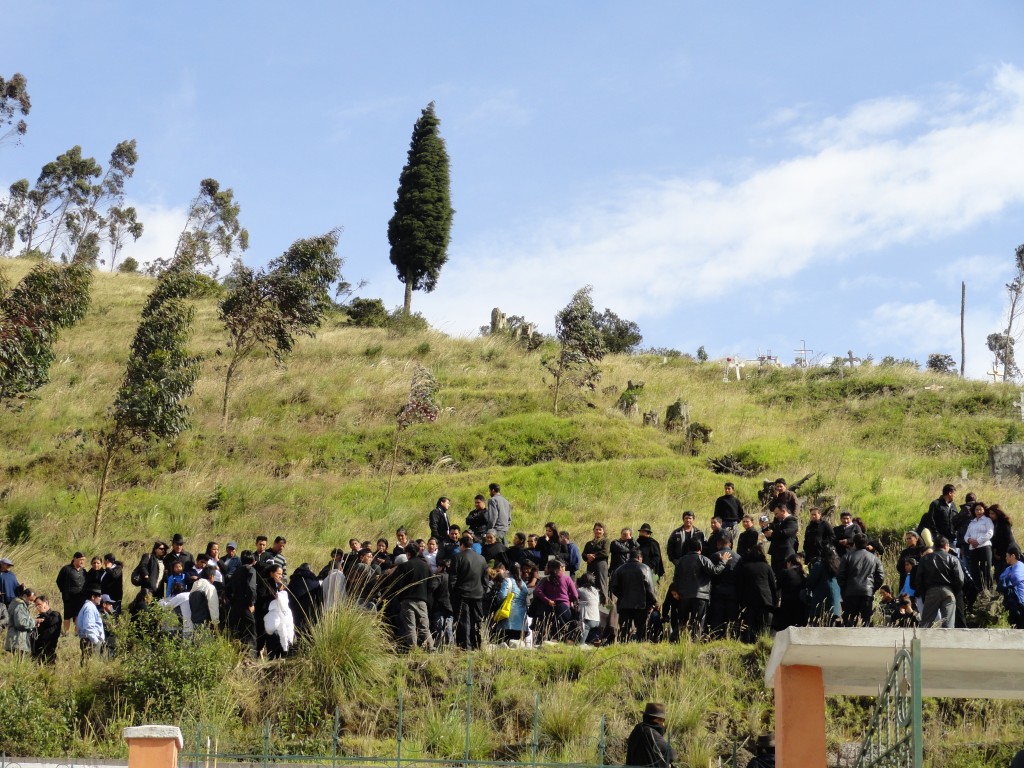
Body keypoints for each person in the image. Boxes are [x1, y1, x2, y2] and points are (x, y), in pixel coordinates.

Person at [671, 539, 727, 639]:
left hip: (684, 596)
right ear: (700, 549)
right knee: (698, 621)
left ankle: (675, 639)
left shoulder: (681, 561)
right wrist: (723, 562)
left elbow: (675, 578)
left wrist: (676, 591)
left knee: (682, 621)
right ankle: (694, 641)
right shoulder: (703, 559)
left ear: (688, 549)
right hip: (700, 595)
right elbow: (715, 571)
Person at [914, 536, 964, 628]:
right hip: (949, 591)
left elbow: (918, 580)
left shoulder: (924, 559)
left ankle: (924, 641)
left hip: (931, 591)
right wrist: (954, 591)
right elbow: (960, 579)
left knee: (926, 623)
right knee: (948, 623)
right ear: (946, 546)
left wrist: (924, 593)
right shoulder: (953, 559)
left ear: (934, 546)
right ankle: (946, 641)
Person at [450, 534, 488, 649]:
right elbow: (485, 580)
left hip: (462, 594)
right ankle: (478, 643)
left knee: (464, 621)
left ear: (461, 545)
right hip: (477, 594)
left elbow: (453, 579)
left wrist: (452, 594)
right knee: (477, 620)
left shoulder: (457, 557)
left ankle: (465, 646)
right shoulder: (482, 558)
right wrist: (482, 591)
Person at [837, 534, 884, 627]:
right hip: (867, 592)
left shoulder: (847, 557)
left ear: (854, 543)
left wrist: (845, 588)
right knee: (866, 621)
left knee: (849, 621)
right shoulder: (874, 558)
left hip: (850, 592)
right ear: (866, 543)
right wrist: (872, 588)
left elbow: (840, 575)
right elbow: (880, 577)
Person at [611, 550, 657, 642]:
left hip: (624, 604)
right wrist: (653, 602)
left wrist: (622, 596)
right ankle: (639, 648)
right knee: (641, 630)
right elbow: (650, 589)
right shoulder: (645, 568)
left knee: (624, 631)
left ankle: (623, 647)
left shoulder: (620, 569)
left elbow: (614, 588)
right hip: (641, 605)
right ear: (639, 558)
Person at [394, 544, 434, 651]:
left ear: (408, 553)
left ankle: (413, 650)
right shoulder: (426, 566)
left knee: (410, 627)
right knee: (424, 627)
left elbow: (397, 585)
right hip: (422, 600)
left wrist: (400, 598)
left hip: (407, 600)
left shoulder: (403, 566)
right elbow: (431, 584)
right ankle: (431, 648)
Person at [736, 545, 777, 643]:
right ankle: (763, 644)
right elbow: (773, 586)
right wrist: (774, 602)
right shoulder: (767, 567)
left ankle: (749, 644)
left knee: (749, 626)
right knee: (764, 627)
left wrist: (740, 601)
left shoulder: (745, 567)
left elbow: (740, 586)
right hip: (765, 601)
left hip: (749, 601)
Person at [625, 702, 675, 768]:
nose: (663, 724)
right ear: (651, 719)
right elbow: (671, 755)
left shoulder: (637, 729)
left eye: (663, 721)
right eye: (660, 720)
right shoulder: (651, 733)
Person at [965, 500, 994, 592]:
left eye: (980, 509)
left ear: (984, 510)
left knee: (985, 569)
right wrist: (969, 540)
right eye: (976, 510)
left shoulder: (987, 520)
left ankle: (988, 590)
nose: (978, 511)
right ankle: (979, 590)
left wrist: (978, 541)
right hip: (973, 549)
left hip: (984, 547)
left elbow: (990, 533)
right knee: (974, 570)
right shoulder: (971, 522)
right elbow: (966, 535)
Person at [56, 551, 87, 635]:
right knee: (67, 615)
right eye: (81, 559)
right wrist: (64, 591)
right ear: (75, 558)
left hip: (80, 597)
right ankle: (66, 633)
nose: (82, 562)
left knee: (78, 615)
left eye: (83, 560)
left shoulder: (83, 571)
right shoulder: (66, 569)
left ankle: (77, 632)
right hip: (68, 597)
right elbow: (59, 581)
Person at [763, 505, 798, 576]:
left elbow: (786, 533)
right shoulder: (779, 522)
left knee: (785, 575)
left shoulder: (792, 521)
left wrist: (772, 533)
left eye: (776, 513)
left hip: (785, 554)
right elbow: (772, 537)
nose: (775, 516)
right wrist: (765, 529)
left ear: (783, 511)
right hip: (776, 554)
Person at [997, 546, 1024, 629]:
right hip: (1011, 601)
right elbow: (1001, 579)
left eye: (1007, 556)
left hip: (1020, 600)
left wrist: (1007, 578)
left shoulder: (1020, 566)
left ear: (1013, 556)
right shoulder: (1009, 568)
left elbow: (1016, 578)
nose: (1005, 558)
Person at [582, 523, 611, 603]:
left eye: (600, 529)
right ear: (593, 530)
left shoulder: (606, 541)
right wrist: (587, 556)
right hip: (590, 567)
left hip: (601, 566)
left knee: (602, 586)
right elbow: (583, 555)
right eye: (596, 529)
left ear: (603, 531)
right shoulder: (589, 543)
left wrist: (592, 556)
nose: (598, 531)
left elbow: (605, 553)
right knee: (590, 585)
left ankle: (605, 610)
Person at [77, 586, 106, 663]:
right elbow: (88, 627)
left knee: (88, 664)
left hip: (90, 640)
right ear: (93, 597)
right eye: (99, 596)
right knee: (90, 665)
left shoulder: (90, 607)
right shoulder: (89, 608)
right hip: (90, 641)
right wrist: (96, 641)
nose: (100, 598)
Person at [989, 505, 1018, 579]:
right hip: (1000, 553)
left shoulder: (1003, 524)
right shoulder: (995, 523)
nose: (990, 515)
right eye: (990, 513)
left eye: (993, 513)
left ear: (997, 513)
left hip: (1005, 552)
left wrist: (999, 554)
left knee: (1003, 574)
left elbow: (1006, 539)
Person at [4, 586, 35, 656]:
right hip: (18, 641)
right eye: (30, 600)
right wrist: (34, 622)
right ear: (24, 596)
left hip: (15, 640)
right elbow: (21, 623)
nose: (31, 603)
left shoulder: (16, 603)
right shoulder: (20, 606)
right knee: (19, 663)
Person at [32, 594, 62, 664]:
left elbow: (51, 621)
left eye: (39, 604)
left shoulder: (55, 614)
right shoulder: (39, 616)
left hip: (49, 647)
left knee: (49, 666)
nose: (37, 607)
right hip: (37, 647)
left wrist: (43, 613)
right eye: (36, 606)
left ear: (46, 603)